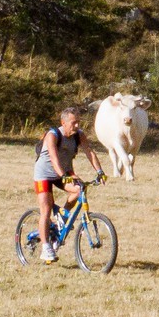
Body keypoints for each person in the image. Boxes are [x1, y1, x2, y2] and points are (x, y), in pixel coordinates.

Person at [32, 105, 105, 263]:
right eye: (74, 123)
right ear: (63, 123)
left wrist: (100, 171)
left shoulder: (79, 135)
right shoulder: (53, 135)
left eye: (78, 122)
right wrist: (64, 175)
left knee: (80, 190)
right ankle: (45, 248)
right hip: (44, 174)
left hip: (63, 173)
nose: (77, 126)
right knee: (46, 208)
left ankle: (61, 218)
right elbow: (53, 157)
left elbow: (89, 152)